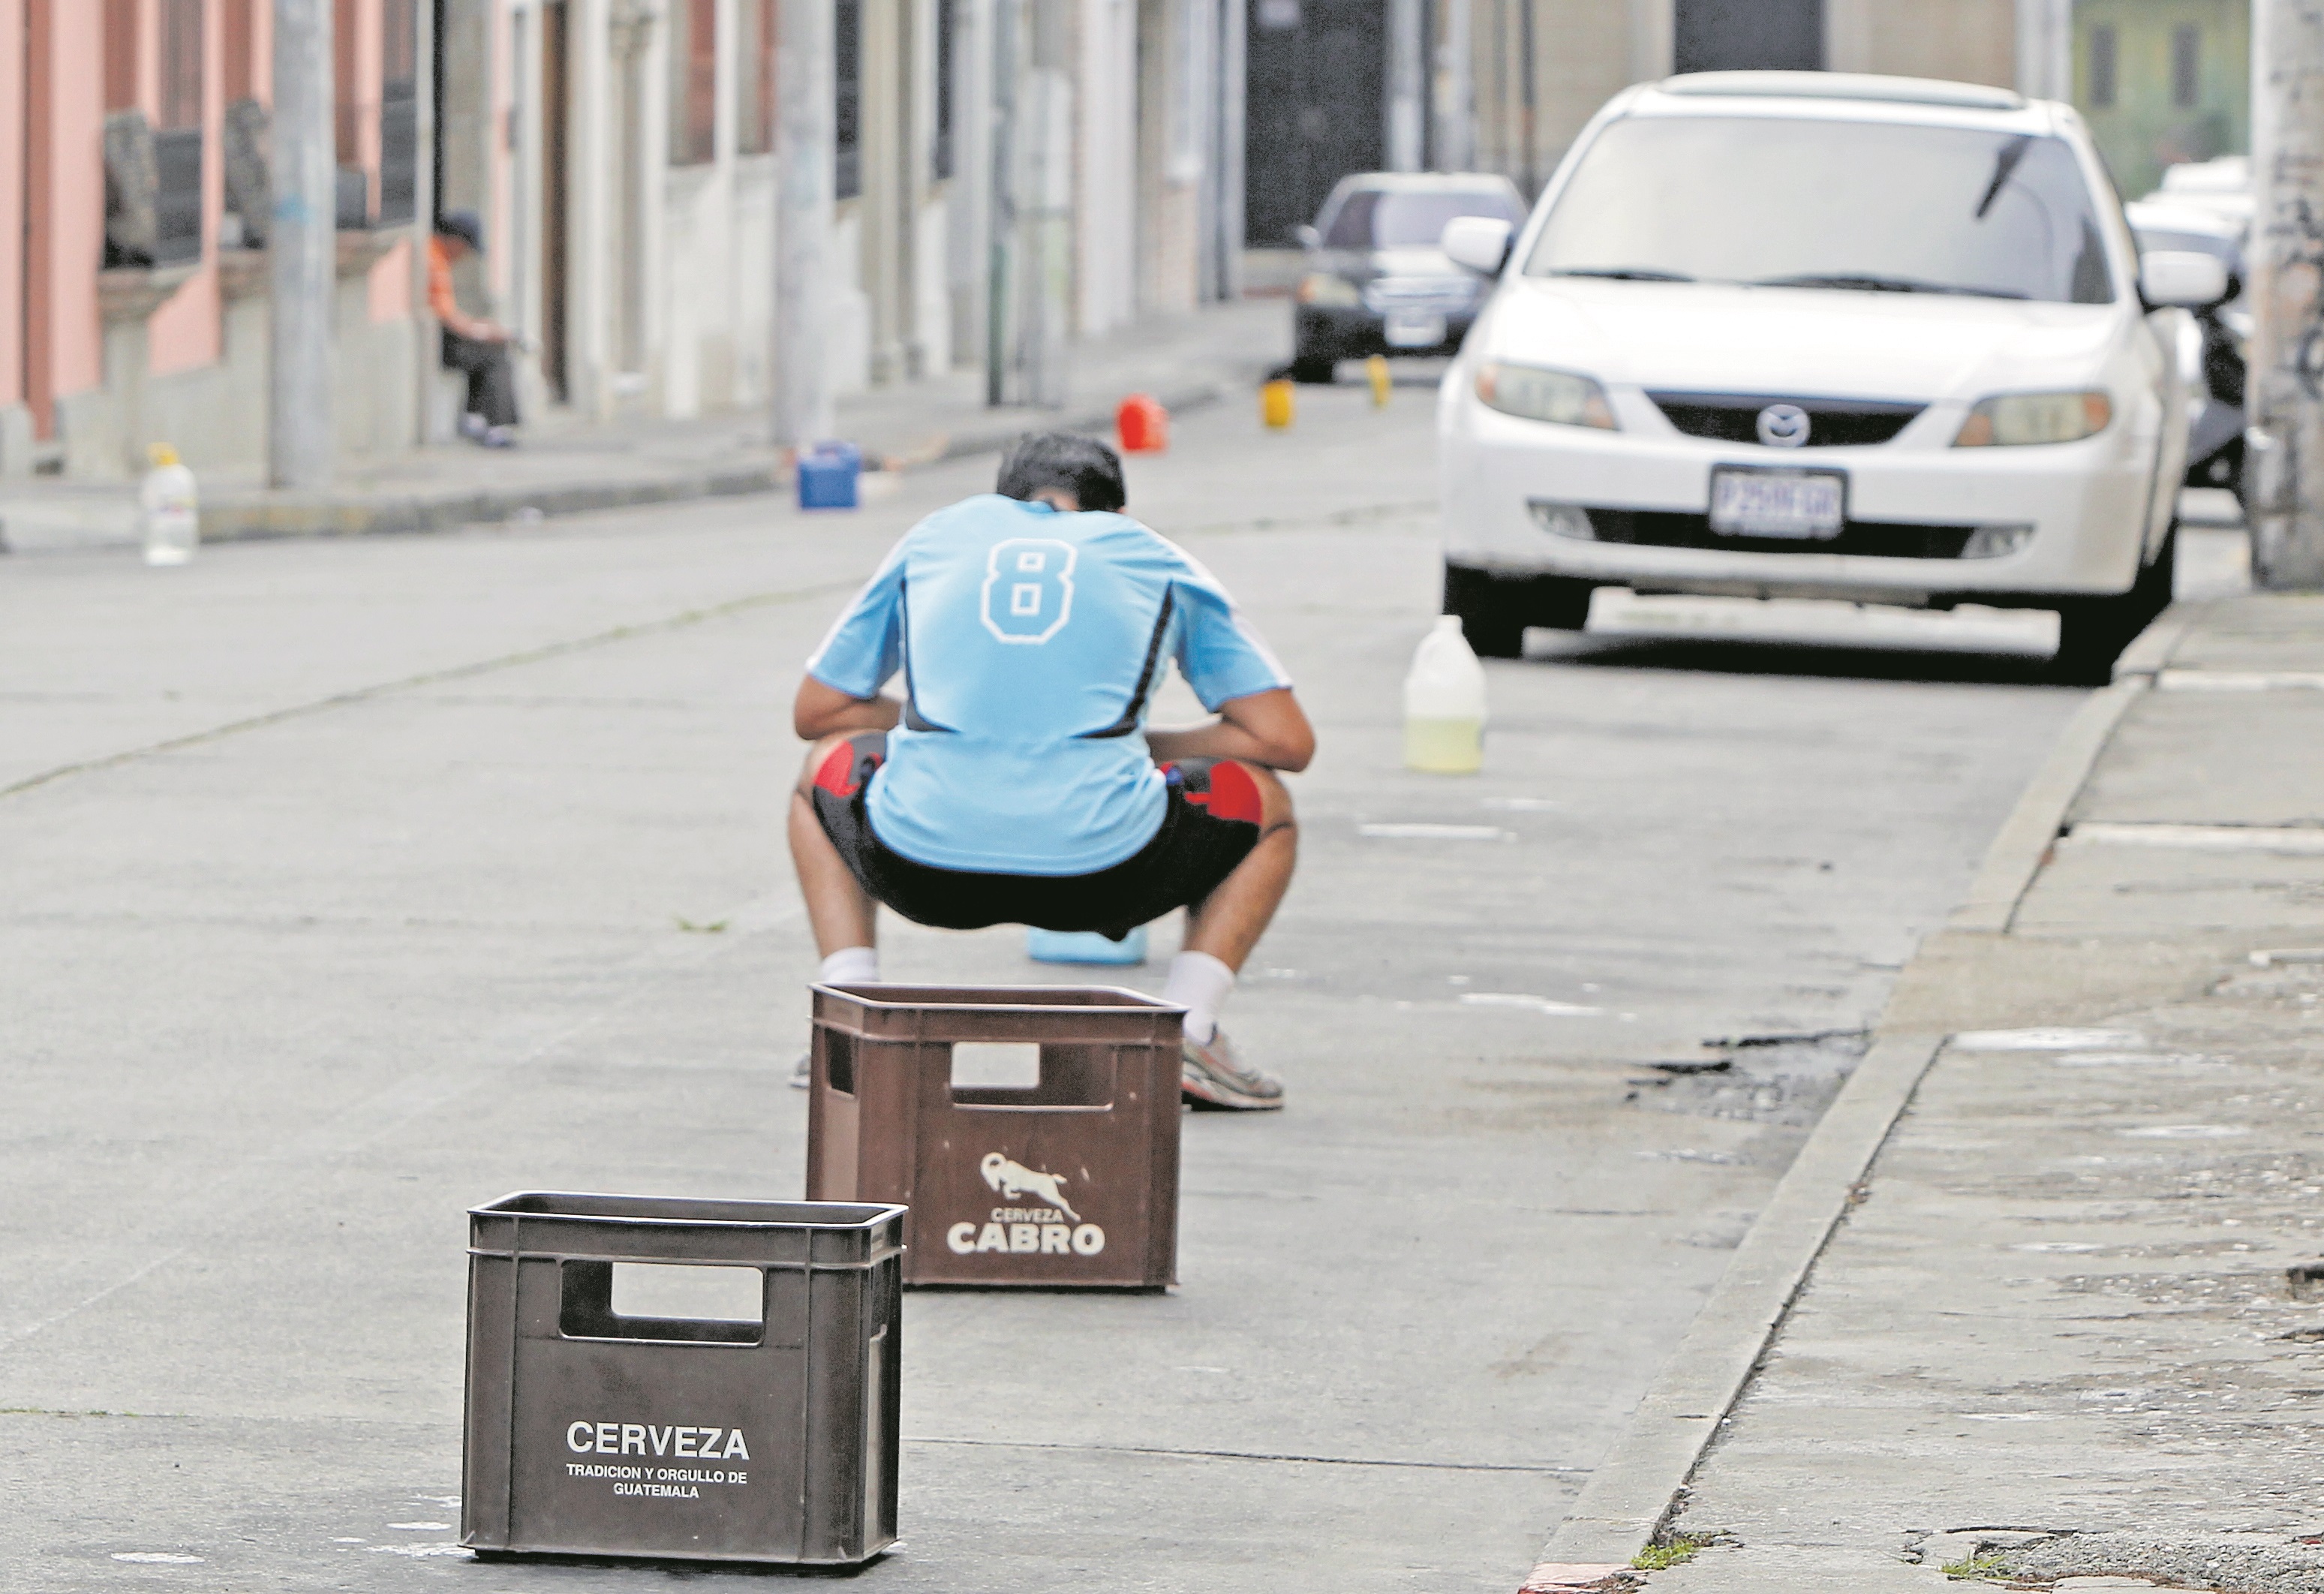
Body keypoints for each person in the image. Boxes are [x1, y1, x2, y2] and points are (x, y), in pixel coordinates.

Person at [789, 432, 1315, 1110]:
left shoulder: (940, 537)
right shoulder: (1151, 556)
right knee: (1265, 802)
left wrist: (947, 718)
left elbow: (818, 710)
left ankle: (851, 1019)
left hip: (918, 868)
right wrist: (1137, 743)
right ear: (1114, 514)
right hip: (1109, 874)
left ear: (1002, 501)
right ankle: (1190, 1030)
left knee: (820, 769)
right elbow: (1283, 739)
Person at [428, 211, 519, 449]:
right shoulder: (434, 259)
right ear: (456, 241)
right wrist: (484, 332)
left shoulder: (435, 256)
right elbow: (448, 317)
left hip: (441, 337)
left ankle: (474, 418)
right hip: (439, 341)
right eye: (466, 248)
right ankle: (496, 426)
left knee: (486, 351)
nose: (464, 255)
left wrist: (482, 328)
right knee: (495, 356)